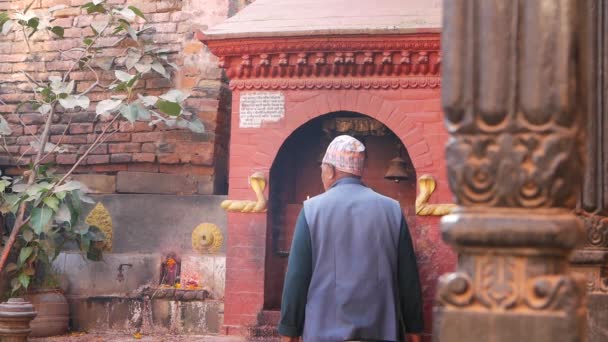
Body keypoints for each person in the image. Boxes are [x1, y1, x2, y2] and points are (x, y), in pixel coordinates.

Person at [278, 135, 423, 342]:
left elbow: (296, 279)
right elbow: (408, 281)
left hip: (323, 334)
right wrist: (414, 331)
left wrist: (289, 333)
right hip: (382, 332)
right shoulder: (392, 210)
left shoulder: (311, 211)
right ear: (359, 170)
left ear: (330, 170)